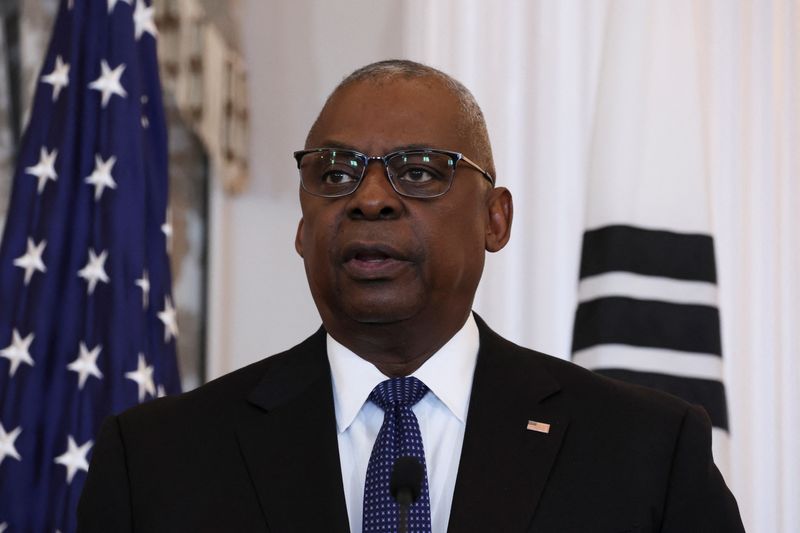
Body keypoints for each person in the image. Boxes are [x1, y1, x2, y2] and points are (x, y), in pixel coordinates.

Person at [78, 60, 744, 532]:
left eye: (421, 171)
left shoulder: (646, 451)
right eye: (334, 173)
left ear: (496, 218)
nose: (369, 199)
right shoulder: (157, 462)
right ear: (304, 225)